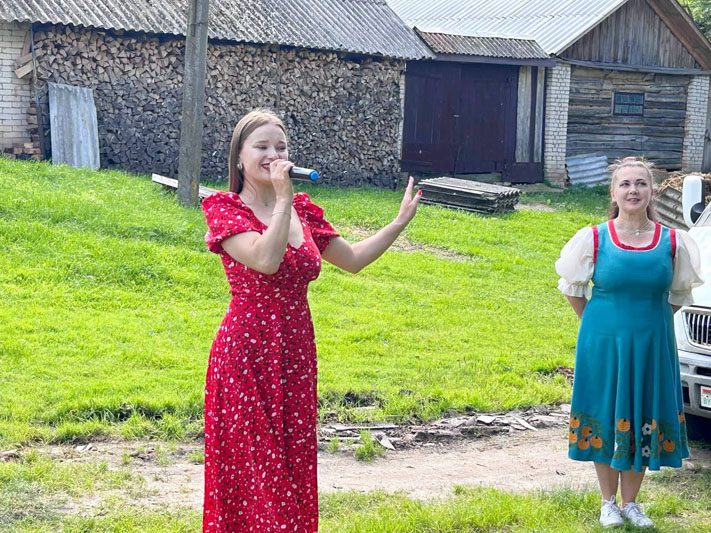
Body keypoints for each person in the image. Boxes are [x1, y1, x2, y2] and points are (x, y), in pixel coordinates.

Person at [200, 109, 421, 532]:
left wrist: (397, 224)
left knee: (290, 469)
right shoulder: (225, 209)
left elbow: (352, 260)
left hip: (295, 355)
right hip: (246, 357)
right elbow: (266, 260)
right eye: (262, 146)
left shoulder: (304, 210)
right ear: (239, 158)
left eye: (281, 147)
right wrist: (283, 200)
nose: (274, 154)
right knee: (257, 476)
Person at [555, 157, 703, 528]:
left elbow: (677, 295)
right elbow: (573, 289)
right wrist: (599, 325)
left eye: (641, 183)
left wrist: (648, 323)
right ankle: (608, 503)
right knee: (606, 414)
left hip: (653, 343)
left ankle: (632, 503)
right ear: (613, 192)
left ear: (652, 191)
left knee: (642, 415)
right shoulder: (594, 238)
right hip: (603, 344)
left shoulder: (672, 242)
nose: (633, 190)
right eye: (625, 184)